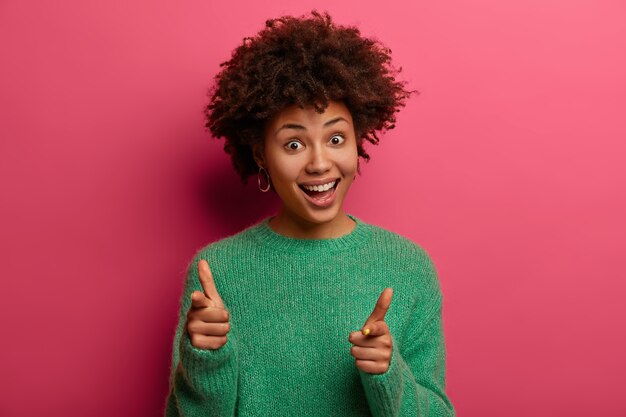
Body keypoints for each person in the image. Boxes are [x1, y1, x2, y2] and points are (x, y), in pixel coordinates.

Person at [165, 10, 455, 417]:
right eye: (294, 145)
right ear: (261, 154)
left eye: (336, 138)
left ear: (359, 142)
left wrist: (388, 375)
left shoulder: (408, 267)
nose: (319, 163)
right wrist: (206, 362)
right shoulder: (217, 273)